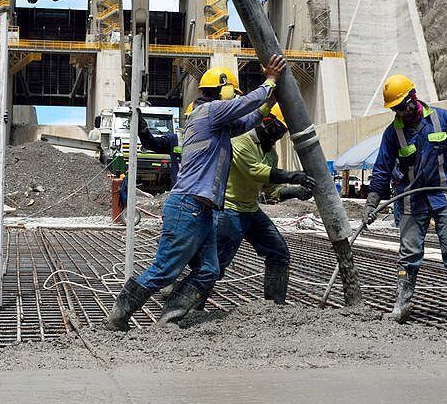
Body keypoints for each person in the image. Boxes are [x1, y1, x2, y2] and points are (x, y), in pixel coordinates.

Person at [104, 55, 286, 330]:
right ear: (224, 90)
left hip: (204, 210)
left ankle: (169, 319)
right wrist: (269, 81)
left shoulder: (214, 122)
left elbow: (246, 121)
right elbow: (244, 105)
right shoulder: (210, 111)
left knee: (209, 270)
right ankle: (118, 316)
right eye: (233, 93)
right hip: (187, 206)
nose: (235, 97)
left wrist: (268, 105)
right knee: (164, 270)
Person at [365, 74, 447, 327]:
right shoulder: (393, 133)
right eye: (394, 109)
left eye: (401, 106)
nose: (399, 113)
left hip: (445, 196)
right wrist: (372, 203)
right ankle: (402, 304)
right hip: (411, 200)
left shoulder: (442, 119)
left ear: (413, 98)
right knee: (409, 253)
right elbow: (382, 170)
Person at [186, 104, 314, 306]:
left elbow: (270, 192)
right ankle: (188, 306)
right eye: (278, 129)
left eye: (282, 132)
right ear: (266, 121)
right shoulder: (241, 141)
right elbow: (254, 171)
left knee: (279, 253)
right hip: (229, 209)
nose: (278, 136)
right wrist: (292, 176)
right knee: (215, 264)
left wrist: (295, 192)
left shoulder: (271, 154)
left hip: (251, 211)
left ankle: (274, 306)